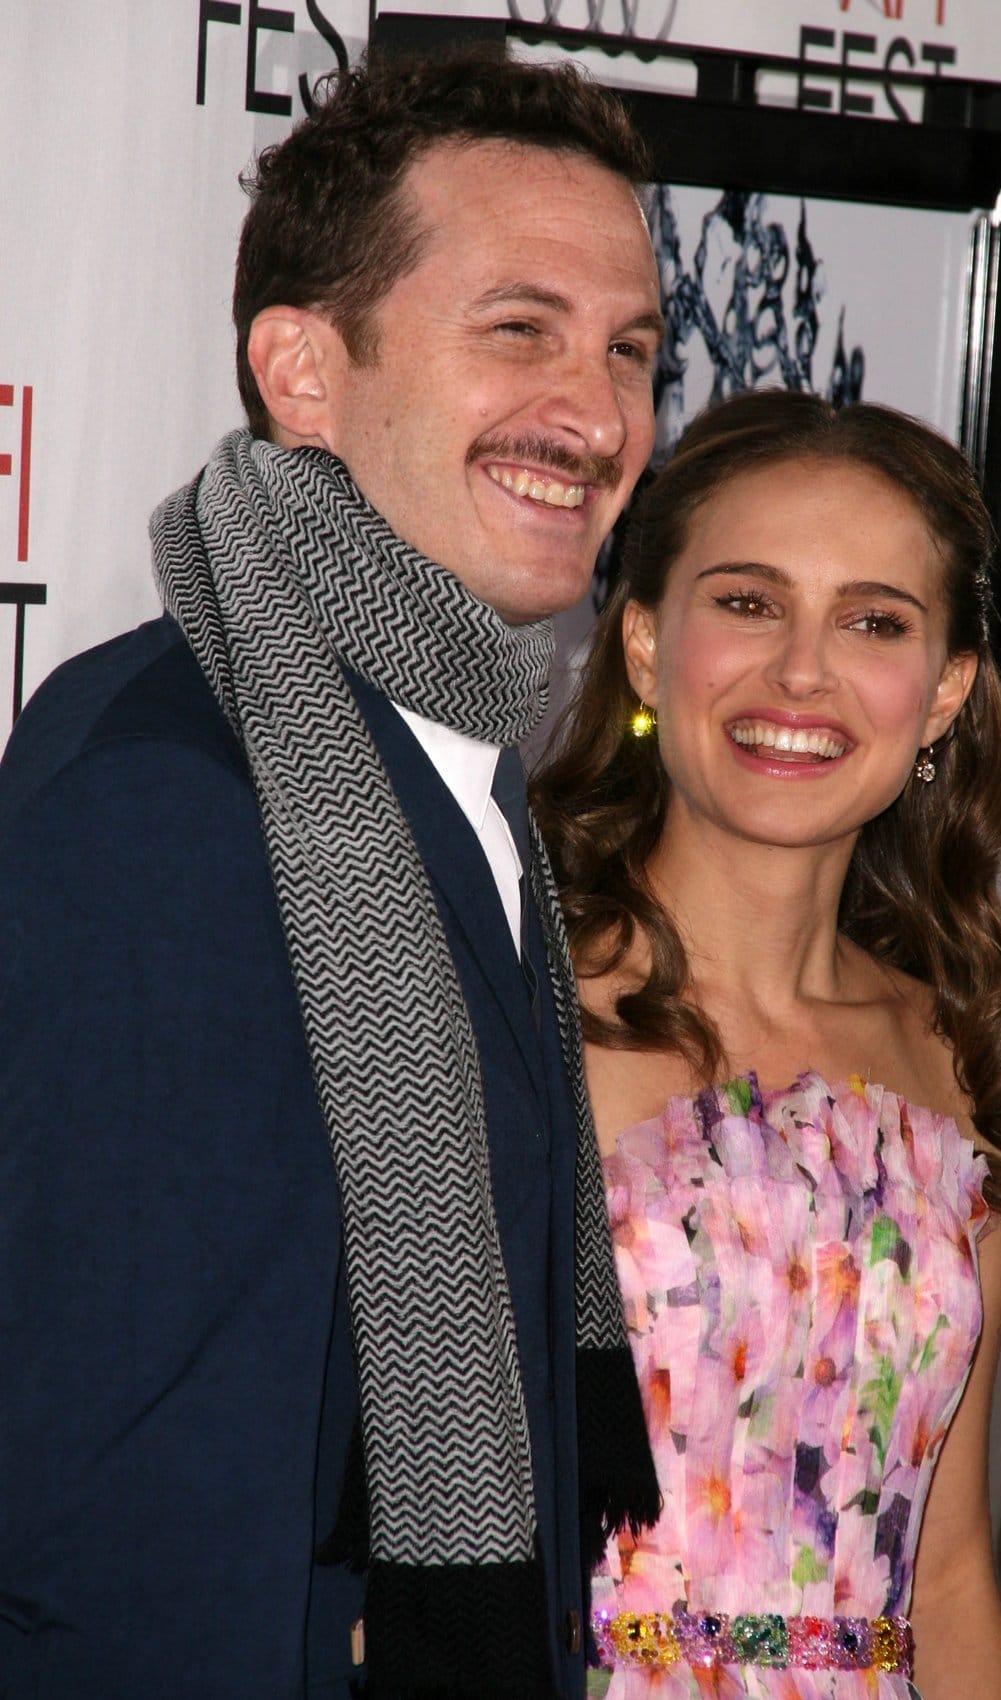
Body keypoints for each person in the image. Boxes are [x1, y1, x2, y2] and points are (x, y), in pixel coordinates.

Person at [0, 47, 667, 1700]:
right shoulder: (178, 794)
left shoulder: (444, 745)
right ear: (303, 371)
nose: (595, 415)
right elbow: (130, 1531)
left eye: (631, 351)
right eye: (520, 330)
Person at [530, 388, 1001, 1699]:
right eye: (748, 601)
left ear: (946, 691)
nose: (801, 674)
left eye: (874, 622)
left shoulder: (962, 1059)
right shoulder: (509, 1002)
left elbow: (943, 1576)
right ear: (646, 645)